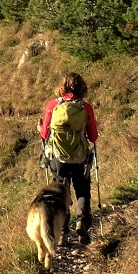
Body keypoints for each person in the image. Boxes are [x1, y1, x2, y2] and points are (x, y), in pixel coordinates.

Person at [39, 72, 98, 245]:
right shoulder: (86, 108)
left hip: (58, 158)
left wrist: (40, 128)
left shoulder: (53, 105)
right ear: (82, 87)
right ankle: (82, 223)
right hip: (79, 157)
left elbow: (44, 133)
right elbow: (93, 137)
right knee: (82, 190)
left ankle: (63, 233)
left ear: (62, 86)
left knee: (61, 193)